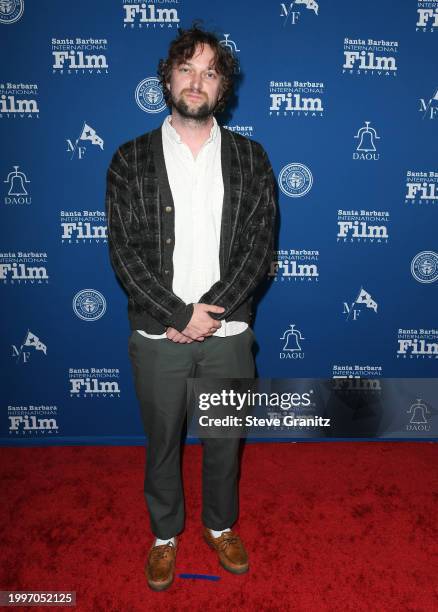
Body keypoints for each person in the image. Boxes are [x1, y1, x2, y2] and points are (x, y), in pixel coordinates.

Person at [105, 24, 277, 591]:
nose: (196, 81)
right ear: (168, 78)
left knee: (225, 439)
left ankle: (221, 525)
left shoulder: (251, 158)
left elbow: (259, 247)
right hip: (160, 337)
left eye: (210, 72)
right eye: (187, 69)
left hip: (229, 333)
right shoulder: (130, 159)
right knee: (162, 443)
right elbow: (125, 255)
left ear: (222, 86)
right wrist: (179, 316)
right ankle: (163, 536)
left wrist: (212, 310)